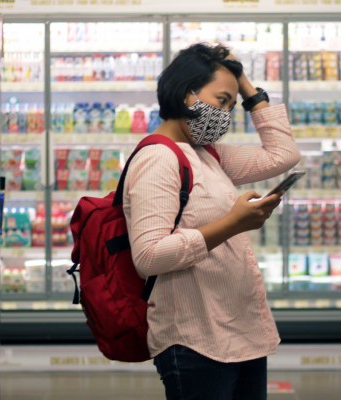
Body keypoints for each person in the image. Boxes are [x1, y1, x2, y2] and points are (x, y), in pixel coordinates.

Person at [123, 43, 301, 400]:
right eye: (221, 101)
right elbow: (149, 257)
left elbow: (284, 154)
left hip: (239, 332)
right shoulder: (159, 158)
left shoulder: (207, 155)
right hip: (196, 340)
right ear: (187, 94)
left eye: (232, 106)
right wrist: (233, 224)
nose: (226, 114)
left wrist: (245, 84)